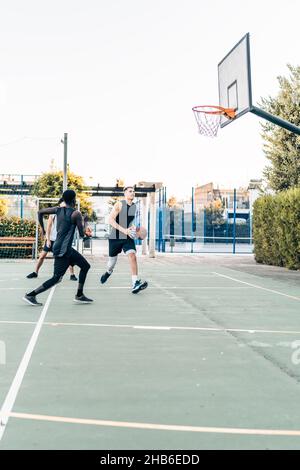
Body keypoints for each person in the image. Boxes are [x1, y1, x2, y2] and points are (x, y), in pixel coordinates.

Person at [23, 189, 93, 306]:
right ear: (73, 200)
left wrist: (43, 228)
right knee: (56, 278)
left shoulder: (57, 210)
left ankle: (79, 295)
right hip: (63, 250)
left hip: (65, 248)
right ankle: (31, 295)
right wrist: (85, 222)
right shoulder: (76, 213)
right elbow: (82, 235)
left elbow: (40, 212)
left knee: (85, 266)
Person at [100, 185, 148, 294]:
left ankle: (135, 283)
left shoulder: (134, 206)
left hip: (127, 237)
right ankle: (108, 272)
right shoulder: (119, 204)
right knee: (111, 263)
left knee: (132, 255)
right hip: (115, 237)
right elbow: (110, 220)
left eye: (133, 191)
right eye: (130, 191)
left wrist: (134, 228)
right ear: (125, 193)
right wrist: (124, 230)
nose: (132, 193)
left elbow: (129, 222)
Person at [26, 198, 77, 281]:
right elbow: (48, 227)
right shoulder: (53, 214)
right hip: (52, 239)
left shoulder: (69, 213)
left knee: (68, 257)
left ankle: (72, 274)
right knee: (42, 256)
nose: (64, 206)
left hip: (62, 241)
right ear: (60, 204)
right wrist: (48, 239)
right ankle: (35, 272)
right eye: (63, 204)